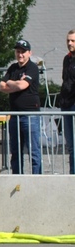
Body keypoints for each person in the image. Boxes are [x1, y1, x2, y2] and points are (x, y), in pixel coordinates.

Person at [0, 38, 41, 174]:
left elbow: (24, 85)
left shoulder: (33, 68)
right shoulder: (13, 68)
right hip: (15, 115)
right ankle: (17, 178)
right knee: (15, 151)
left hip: (30, 115)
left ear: (29, 53)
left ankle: (37, 180)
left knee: (34, 151)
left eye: (23, 52)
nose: (20, 54)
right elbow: (1, 87)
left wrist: (11, 83)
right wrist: (16, 84)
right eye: (18, 51)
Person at [58, 29, 75, 175]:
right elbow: (65, 81)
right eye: (68, 40)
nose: (70, 43)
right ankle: (72, 177)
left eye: (73, 41)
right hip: (66, 104)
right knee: (70, 145)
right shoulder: (67, 58)